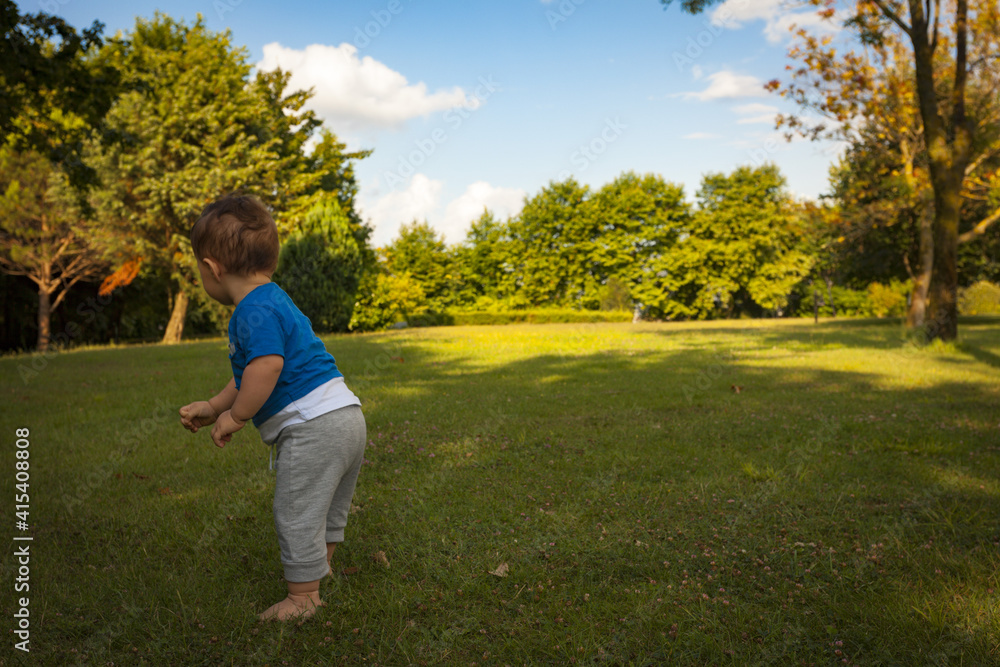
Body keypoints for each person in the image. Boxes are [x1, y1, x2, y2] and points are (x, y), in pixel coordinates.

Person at [178, 194, 366, 622]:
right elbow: (247, 373)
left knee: (297, 509)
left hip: (313, 427)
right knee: (327, 506)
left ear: (212, 268)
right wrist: (214, 405)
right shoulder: (274, 298)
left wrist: (237, 416)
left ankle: (303, 599)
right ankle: (320, 570)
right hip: (346, 417)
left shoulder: (250, 310)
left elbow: (266, 366)